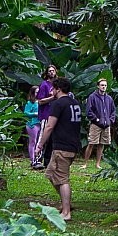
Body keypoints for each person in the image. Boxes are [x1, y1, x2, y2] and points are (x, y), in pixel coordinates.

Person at [37, 78, 83, 220]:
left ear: (58, 89)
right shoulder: (74, 103)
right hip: (72, 145)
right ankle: (65, 203)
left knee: (62, 179)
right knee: (51, 174)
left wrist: (40, 145)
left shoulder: (58, 104)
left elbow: (49, 126)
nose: (51, 91)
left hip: (62, 146)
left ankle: (66, 212)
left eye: (53, 88)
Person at [33, 65, 60, 170]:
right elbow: (40, 101)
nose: (52, 72)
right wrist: (52, 98)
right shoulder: (44, 85)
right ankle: (36, 160)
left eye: (53, 71)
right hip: (45, 115)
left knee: (52, 139)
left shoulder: (57, 85)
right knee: (42, 138)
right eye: (50, 71)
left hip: (55, 115)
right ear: (47, 73)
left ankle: (48, 161)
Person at [23, 86, 41, 167]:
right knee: (32, 142)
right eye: (36, 92)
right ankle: (32, 159)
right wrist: (35, 114)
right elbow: (26, 113)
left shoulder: (41, 101)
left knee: (39, 142)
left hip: (40, 124)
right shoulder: (29, 103)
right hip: (32, 124)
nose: (38, 93)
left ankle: (38, 159)